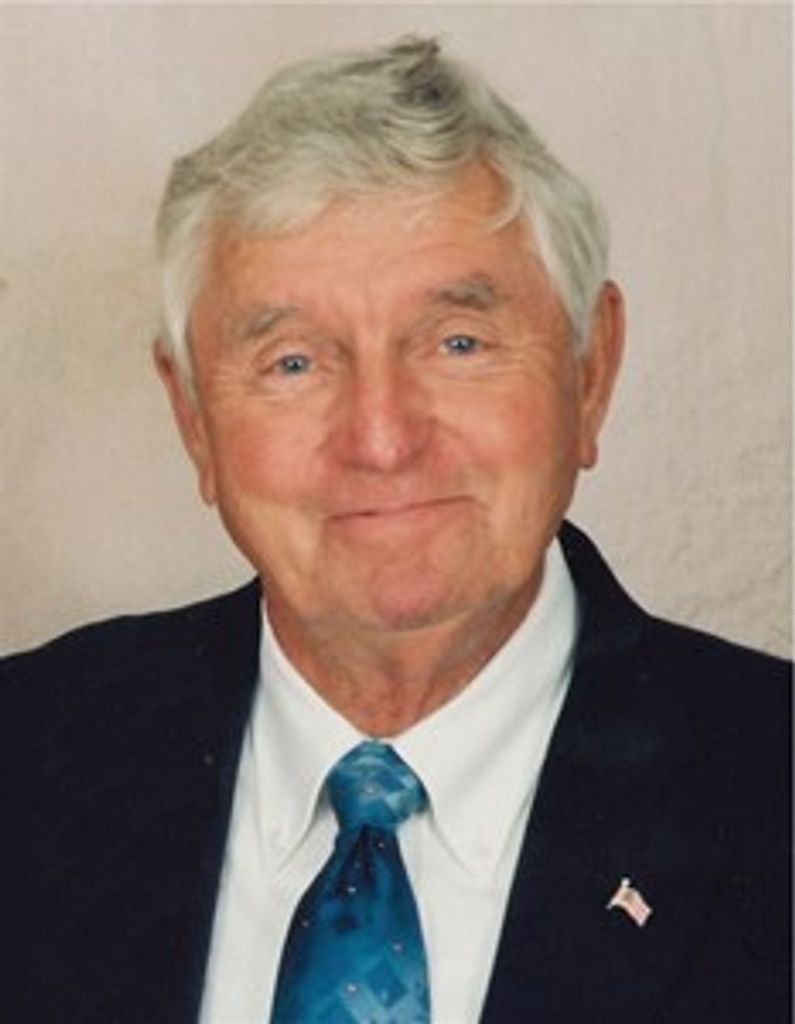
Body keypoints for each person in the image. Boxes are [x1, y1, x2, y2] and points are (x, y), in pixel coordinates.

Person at [2, 37, 789, 1024]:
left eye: (457, 343)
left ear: (591, 370)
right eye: (293, 363)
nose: (381, 440)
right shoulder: (25, 759)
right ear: (192, 415)